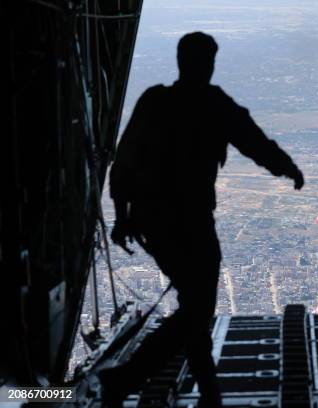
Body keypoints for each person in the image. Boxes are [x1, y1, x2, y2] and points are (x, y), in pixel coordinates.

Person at [103, 31, 304, 407]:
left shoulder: (155, 101)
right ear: (208, 64)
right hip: (189, 221)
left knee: (194, 305)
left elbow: (124, 162)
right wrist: (288, 168)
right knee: (198, 305)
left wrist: (121, 217)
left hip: (153, 221)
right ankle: (130, 379)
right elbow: (254, 141)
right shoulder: (213, 104)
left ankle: (206, 389)